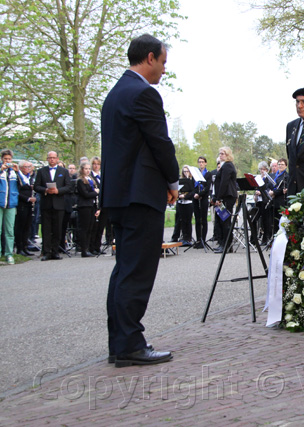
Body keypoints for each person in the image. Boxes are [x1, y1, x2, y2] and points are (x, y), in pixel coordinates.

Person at [101, 33, 179, 367]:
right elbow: (160, 142)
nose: (163, 70)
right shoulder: (144, 94)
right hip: (141, 196)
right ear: (149, 58)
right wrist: (173, 180)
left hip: (118, 195)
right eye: (162, 62)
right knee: (137, 272)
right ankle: (131, 344)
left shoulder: (114, 95)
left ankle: (118, 342)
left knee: (123, 271)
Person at [34, 151, 72, 261]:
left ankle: (55, 251)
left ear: (57, 159)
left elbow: (68, 187)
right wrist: (45, 190)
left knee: (57, 229)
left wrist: (58, 191)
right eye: (50, 158)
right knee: (46, 229)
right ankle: (46, 252)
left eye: (54, 158)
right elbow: (36, 186)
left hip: (59, 204)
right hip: (46, 204)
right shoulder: (41, 171)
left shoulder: (64, 171)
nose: (52, 159)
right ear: (47, 159)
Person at [0, 149, 28, 264]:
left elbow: (25, 183)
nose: (8, 161)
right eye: (5, 159)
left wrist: (18, 172)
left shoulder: (14, 172)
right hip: (0, 203)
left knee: (9, 230)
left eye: (9, 159)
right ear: (2, 159)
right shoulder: (1, 170)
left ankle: (9, 253)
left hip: (11, 204)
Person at [212, 146, 237, 253]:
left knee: (225, 221)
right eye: (220, 153)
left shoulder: (227, 166)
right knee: (220, 221)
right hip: (224, 196)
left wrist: (219, 198)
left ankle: (226, 245)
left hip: (226, 197)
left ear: (228, 155)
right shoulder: (224, 166)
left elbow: (224, 183)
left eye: (223, 153)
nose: (220, 155)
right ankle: (223, 243)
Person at [75, 162, 99, 258]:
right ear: (81, 170)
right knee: (84, 228)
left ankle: (88, 248)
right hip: (84, 206)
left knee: (90, 227)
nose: (88, 170)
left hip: (91, 205)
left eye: (89, 169)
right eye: (86, 168)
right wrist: (95, 192)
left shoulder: (91, 180)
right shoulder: (80, 181)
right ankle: (84, 249)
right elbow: (85, 194)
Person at [15, 161, 36, 257]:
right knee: (20, 226)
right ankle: (19, 248)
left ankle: (25, 246)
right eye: (26, 167)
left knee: (27, 226)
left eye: (29, 167)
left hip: (30, 205)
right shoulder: (18, 177)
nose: (28, 168)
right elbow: (17, 192)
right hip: (22, 204)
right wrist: (28, 199)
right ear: (21, 168)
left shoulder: (30, 178)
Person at [192, 156, 211, 248]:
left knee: (203, 220)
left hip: (203, 198)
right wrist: (195, 194)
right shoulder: (195, 174)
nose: (201, 163)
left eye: (203, 162)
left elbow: (207, 187)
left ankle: (203, 239)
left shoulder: (208, 174)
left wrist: (200, 194)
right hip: (195, 198)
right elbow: (193, 186)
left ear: (205, 163)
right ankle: (198, 239)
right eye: (199, 162)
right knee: (197, 219)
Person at [177, 165, 196, 246]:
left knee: (188, 220)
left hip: (189, 202)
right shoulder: (180, 180)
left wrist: (185, 196)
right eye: (184, 171)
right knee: (182, 220)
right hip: (181, 202)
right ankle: (184, 237)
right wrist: (180, 195)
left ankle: (188, 238)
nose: (186, 173)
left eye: (187, 171)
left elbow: (193, 192)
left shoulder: (192, 180)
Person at [268, 158, 288, 231]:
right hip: (272, 201)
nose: (280, 166)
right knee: (271, 222)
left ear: (286, 166)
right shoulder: (273, 175)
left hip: (280, 201)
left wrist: (274, 192)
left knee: (279, 221)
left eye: (282, 164)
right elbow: (268, 185)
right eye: (279, 164)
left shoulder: (286, 176)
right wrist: (269, 191)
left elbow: (284, 188)